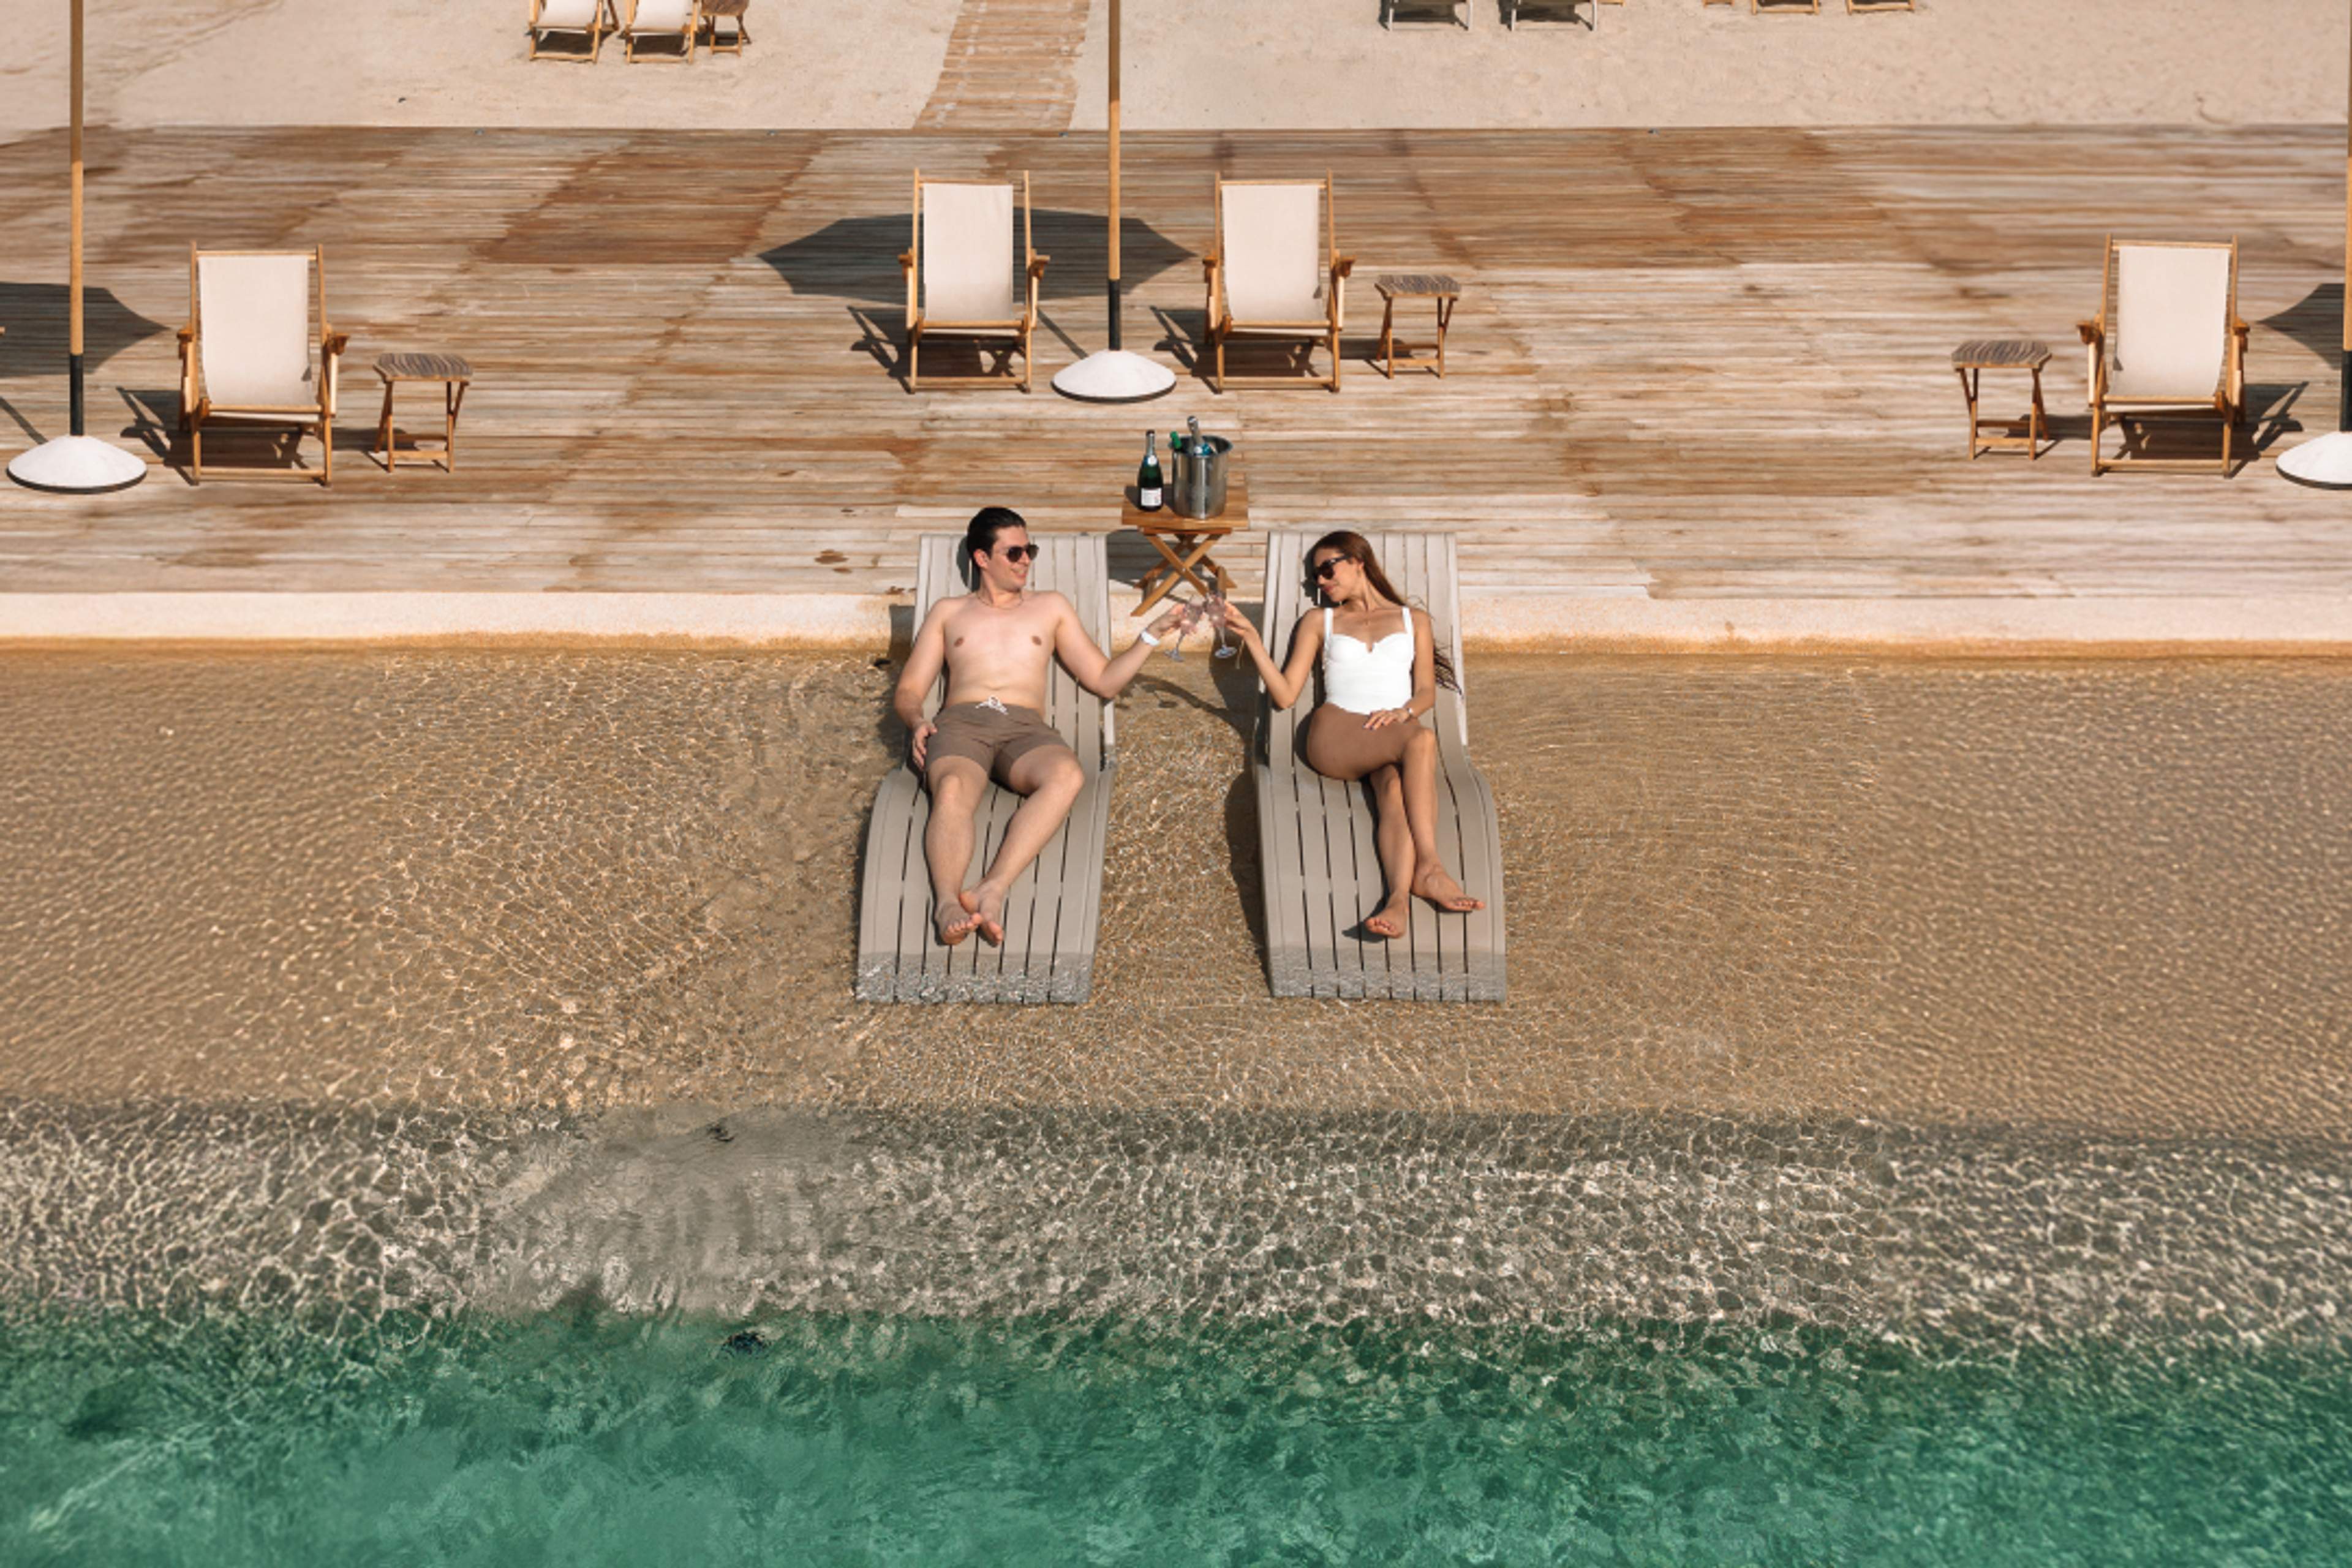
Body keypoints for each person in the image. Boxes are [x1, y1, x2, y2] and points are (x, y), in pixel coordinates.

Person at [896, 507, 1185, 947]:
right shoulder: (949, 612)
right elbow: (910, 688)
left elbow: (1103, 679)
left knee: (1067, 776)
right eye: (1014, 552)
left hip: (1024, 730)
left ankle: (991, 887)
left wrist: (1152, 633)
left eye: (1029, 550)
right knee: (953, 788)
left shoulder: (1050, 608)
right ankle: (947, 904)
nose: (1025, 560)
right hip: (962, 723)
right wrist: (917, 721)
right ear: (982, 559)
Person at [1221, 530, 1485, 939]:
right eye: (1316, 578)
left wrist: (1404, 711)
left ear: (1359, 560)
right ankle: (1431, 866)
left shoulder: (1413, 620)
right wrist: (1252, 639)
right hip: (1337, 734)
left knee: (1394, 790)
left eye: (1328, 569)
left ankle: (1398, 899)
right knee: (1422, 741)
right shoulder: (1319, 621)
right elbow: (1287, 695)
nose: (1322, 583)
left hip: (1390, 734)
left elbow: (1427, 691)